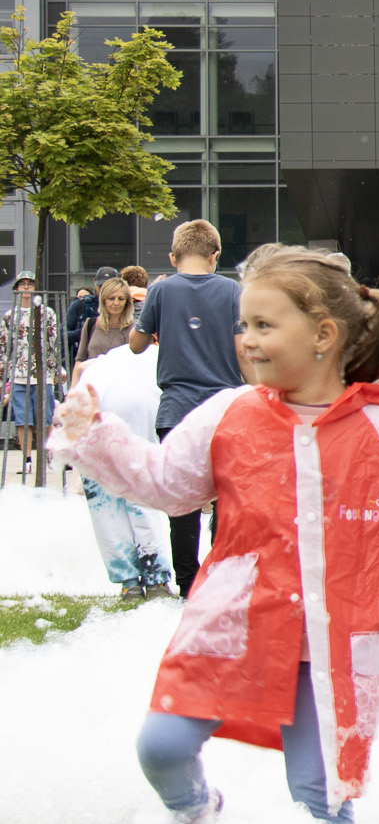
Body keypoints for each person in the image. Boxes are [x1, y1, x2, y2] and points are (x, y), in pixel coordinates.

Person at [51, 244, 379, 824]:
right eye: (243, 325)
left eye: (263, 325)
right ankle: (195, 823)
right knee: (161, 747)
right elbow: (167, 484)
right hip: (235, 624)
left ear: (323, 335)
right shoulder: (229, 414)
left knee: (322, 800)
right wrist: (96, 438)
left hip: (334, 641)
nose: (246, 339)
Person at [129, 221, 244, 596]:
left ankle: (188, 583)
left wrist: (152, 311)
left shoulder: (161, 290)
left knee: (182, 504)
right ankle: (220, 577)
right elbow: (242, 350)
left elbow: (135, 344)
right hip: (225, 410)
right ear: (215, 255)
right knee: (227, 498)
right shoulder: (231, 290)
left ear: (172, 257)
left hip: (176, 411)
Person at [68, 276, 174, 596]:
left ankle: (148, 576)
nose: (116, 304)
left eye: (122, 299)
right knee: (112, 496)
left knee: (129, 495)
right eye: (110, 298)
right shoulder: (93, 327)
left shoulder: (137, 337)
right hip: (98, 406)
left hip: (122, 409)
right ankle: (134, 579)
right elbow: (79, 366)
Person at [2, 274, 66, 458]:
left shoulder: (47, 313)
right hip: (18, 373)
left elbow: (53, 343)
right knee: (22, 419)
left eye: (30, 284)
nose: (26, 287)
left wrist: (56, 369)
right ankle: (27, 459)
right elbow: (4, 346)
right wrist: (3, 374)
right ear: (16, 289)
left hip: (43, 372)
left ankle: (49, 455)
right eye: (22, 284)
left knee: (45, 417)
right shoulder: (10, 316)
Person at [66, 268, 115, 364]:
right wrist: (86, 332)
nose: (104, 290)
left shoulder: (122, 307)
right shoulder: (82, 304)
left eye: (108, 287)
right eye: (101, 286)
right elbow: (63, 335)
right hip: (86, 361)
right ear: (95, 283)